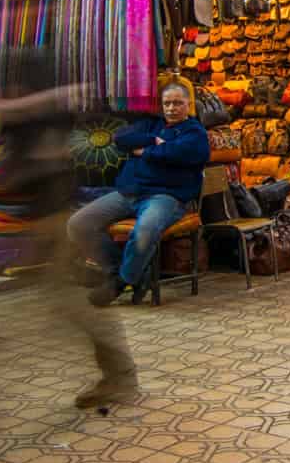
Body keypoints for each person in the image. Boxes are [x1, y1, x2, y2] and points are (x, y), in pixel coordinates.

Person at [0, 48, 139, 411]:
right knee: (59, 304)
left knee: (66, 302)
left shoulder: (51, 109)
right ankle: (118, 373)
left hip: (53, 216)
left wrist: (18, 106)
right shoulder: (32, 111)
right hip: (37, 216)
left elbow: (50, 151)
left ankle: (119, 374)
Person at [70, 84, 211, 306]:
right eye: (167, 103)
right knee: (78, 224)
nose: (172, 108)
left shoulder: (195, 133)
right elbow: (121, 138)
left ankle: (120, 283)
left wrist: (144, 151)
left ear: (188, 104)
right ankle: (125, 271)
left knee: (144, 231)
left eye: (177, 103)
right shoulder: (151, 124)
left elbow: (177, 152)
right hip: (129, 193)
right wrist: (154, 141)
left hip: (165, 197)